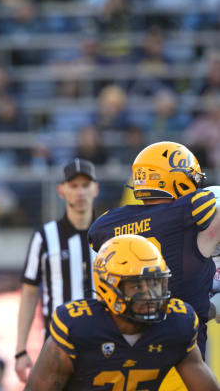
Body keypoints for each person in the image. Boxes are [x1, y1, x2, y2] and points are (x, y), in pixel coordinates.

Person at [25, 234, 220, 391]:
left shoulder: (177, 324)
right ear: (108, 286)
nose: (149, 295)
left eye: (154, 283)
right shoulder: (78, 328)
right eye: (136, 286)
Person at [88, 141, 220, 359]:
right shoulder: (193, 211)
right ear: (177, 176)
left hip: (124, 345)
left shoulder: (106, 224)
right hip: (180, 343)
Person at [15, 158, 99, 382]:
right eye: (74, 186)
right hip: (57, 343)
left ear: (96, 189)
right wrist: (21, 349)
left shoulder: (108, 234)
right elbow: (29, 292)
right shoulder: (44, 237)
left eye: (85, 185)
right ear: (62, 191)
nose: (80, 192)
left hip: (102, 343)